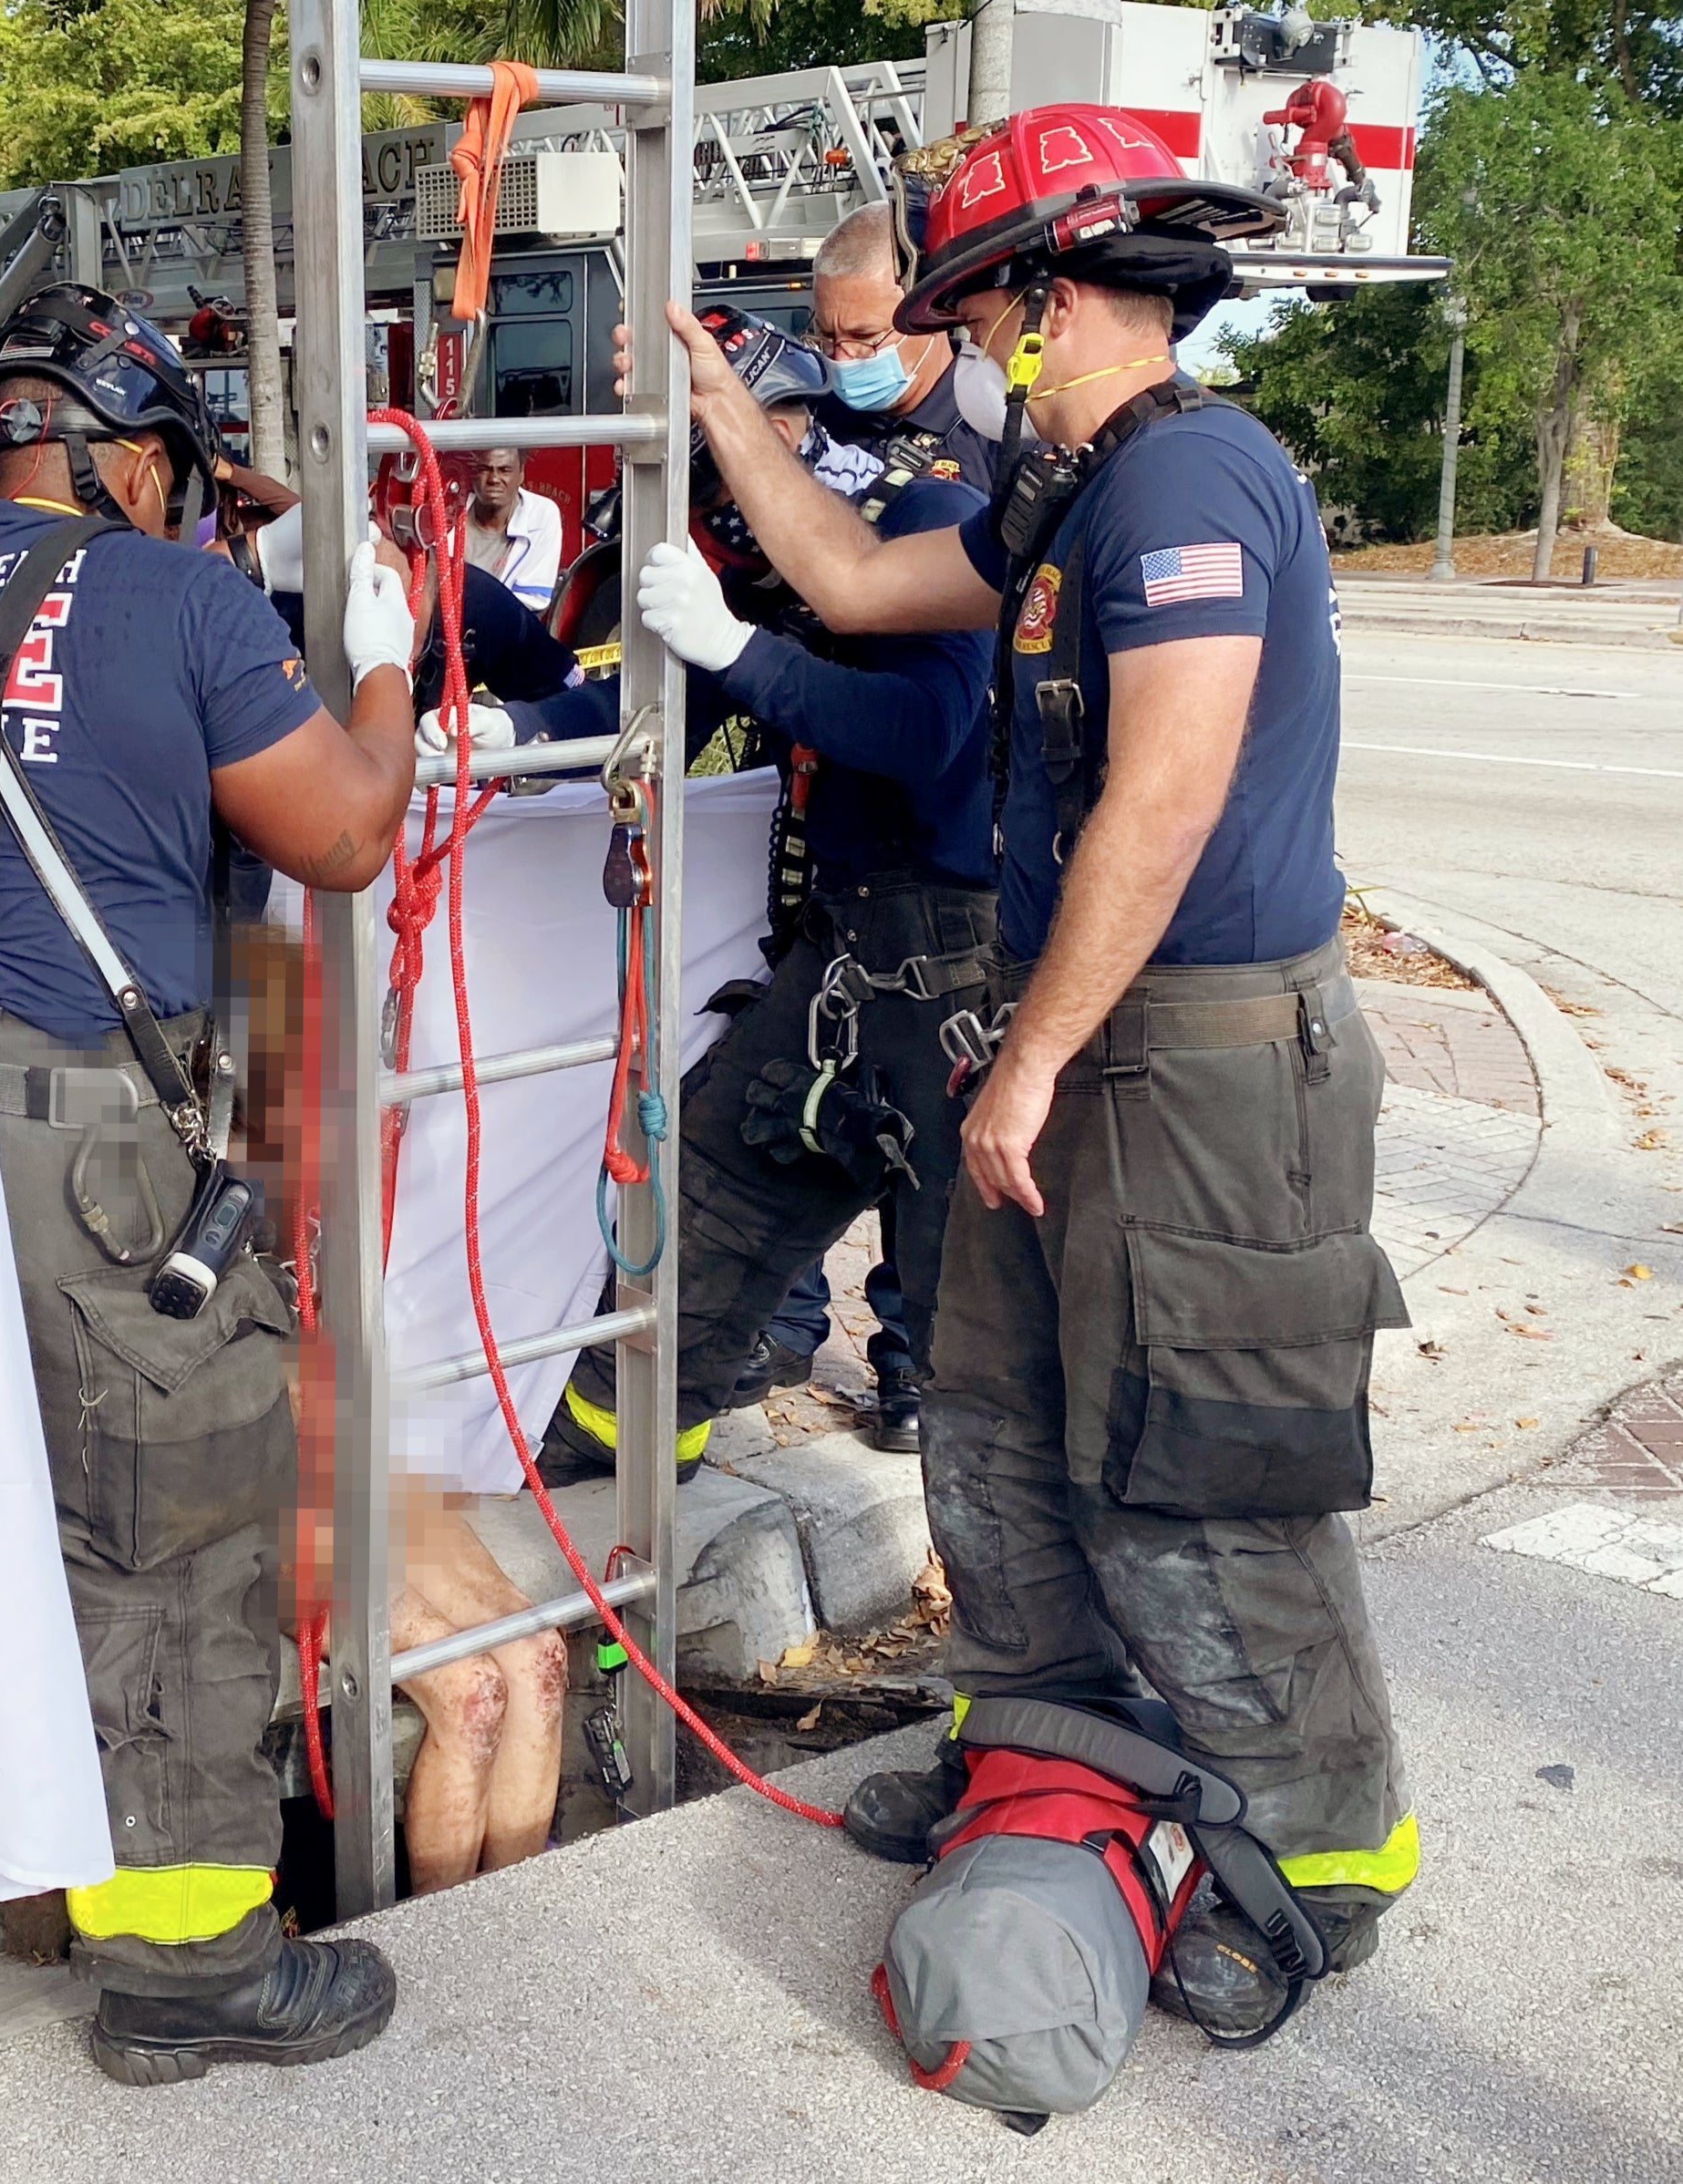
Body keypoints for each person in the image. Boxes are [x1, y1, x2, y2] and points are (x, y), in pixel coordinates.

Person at [663, 107, 1414, 2037]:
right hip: (1069, 1033)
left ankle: (1315, 1861)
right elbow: (843, 580)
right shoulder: (1062, 495)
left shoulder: (1184, 487)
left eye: (983, 312)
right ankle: (1046, 1759)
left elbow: (1158, 805)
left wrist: (1026, 1063)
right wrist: (713, 393)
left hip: (1201, 1063)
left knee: (1203, 1474)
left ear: (1055, 299)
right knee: (995, 1425)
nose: (969, 348)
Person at [0, 283, 411, 2082]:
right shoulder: (183, 595)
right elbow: (343, 831)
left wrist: (190, 535)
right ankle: (187, 1962)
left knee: (9, 1499)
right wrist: (382, 663)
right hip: (94, 1144)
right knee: (174, 1525)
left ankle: (18, 1865)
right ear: (132, 464)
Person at [543, 309, 994, 1487]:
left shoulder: (921, 513)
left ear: (778, 432)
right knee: (696, 1222)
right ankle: (618, 1477)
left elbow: (923, 731)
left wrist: (740, 649)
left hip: (959, 967)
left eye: (721, 491)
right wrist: (505, 734)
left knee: (976, 1339)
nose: (725, 535)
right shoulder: (777, 565)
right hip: (841, 953)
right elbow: (655, 714)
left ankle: (1020, 1654)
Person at [809, 200, 1001, 496]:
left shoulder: (997, 426)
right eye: (827, 336)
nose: (841, 358)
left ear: (927, 315)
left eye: (864, 337)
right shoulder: (816, 416)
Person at [459, 446, 564, 611]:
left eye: (504, 470)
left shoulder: (541, 514)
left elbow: (534, 599)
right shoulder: (449, 513)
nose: (494, 479)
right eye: (485, 469)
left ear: (521, 473)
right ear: (472, 474)